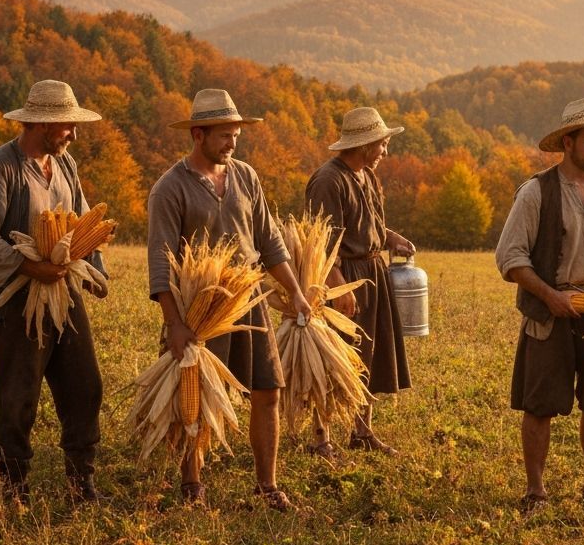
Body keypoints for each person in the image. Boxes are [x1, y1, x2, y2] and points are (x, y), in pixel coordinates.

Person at [146, 88, 313, 510]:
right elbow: (160, 263)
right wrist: (175, 323)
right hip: (198, 306)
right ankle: (192, 484)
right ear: (198, 134)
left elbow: (270, 240)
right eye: (224, 135)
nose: (232, 143)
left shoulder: (246, 176)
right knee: (196, 395)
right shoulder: (170, 189)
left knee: (268, 389)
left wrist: (294, 291)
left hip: (250, 295)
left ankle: (267, 485)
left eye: (236, 134)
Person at [0, 80, 109, 505]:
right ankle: (13, 485)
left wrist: (94, 271)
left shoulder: (65, 166)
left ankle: (82, 482)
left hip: (65, 290)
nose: (73, 135)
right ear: (40, 123)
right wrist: (31, 267)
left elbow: (82, 225)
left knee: (85, 386)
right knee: (17, 392)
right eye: (66, 126)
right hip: (18, 295)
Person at [494, 98, 584, 513]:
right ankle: (535, 491)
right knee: (540, 403)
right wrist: (550, 296)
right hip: (550, 311)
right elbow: (510, 257)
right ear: (568, 142)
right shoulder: (536, 192)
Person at [303, 107, 415, 460]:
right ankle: (321, 437)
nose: (385, 151)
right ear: (365, 145)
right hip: (342, 278)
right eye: (382, 144)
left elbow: (369, 226)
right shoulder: (328, 181)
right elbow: (322, 238)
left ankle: (362, 431)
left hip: (372, 273)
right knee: (333, 357)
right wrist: (337, 285)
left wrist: (391, 238)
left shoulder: (367, 176)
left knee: (371, 355)